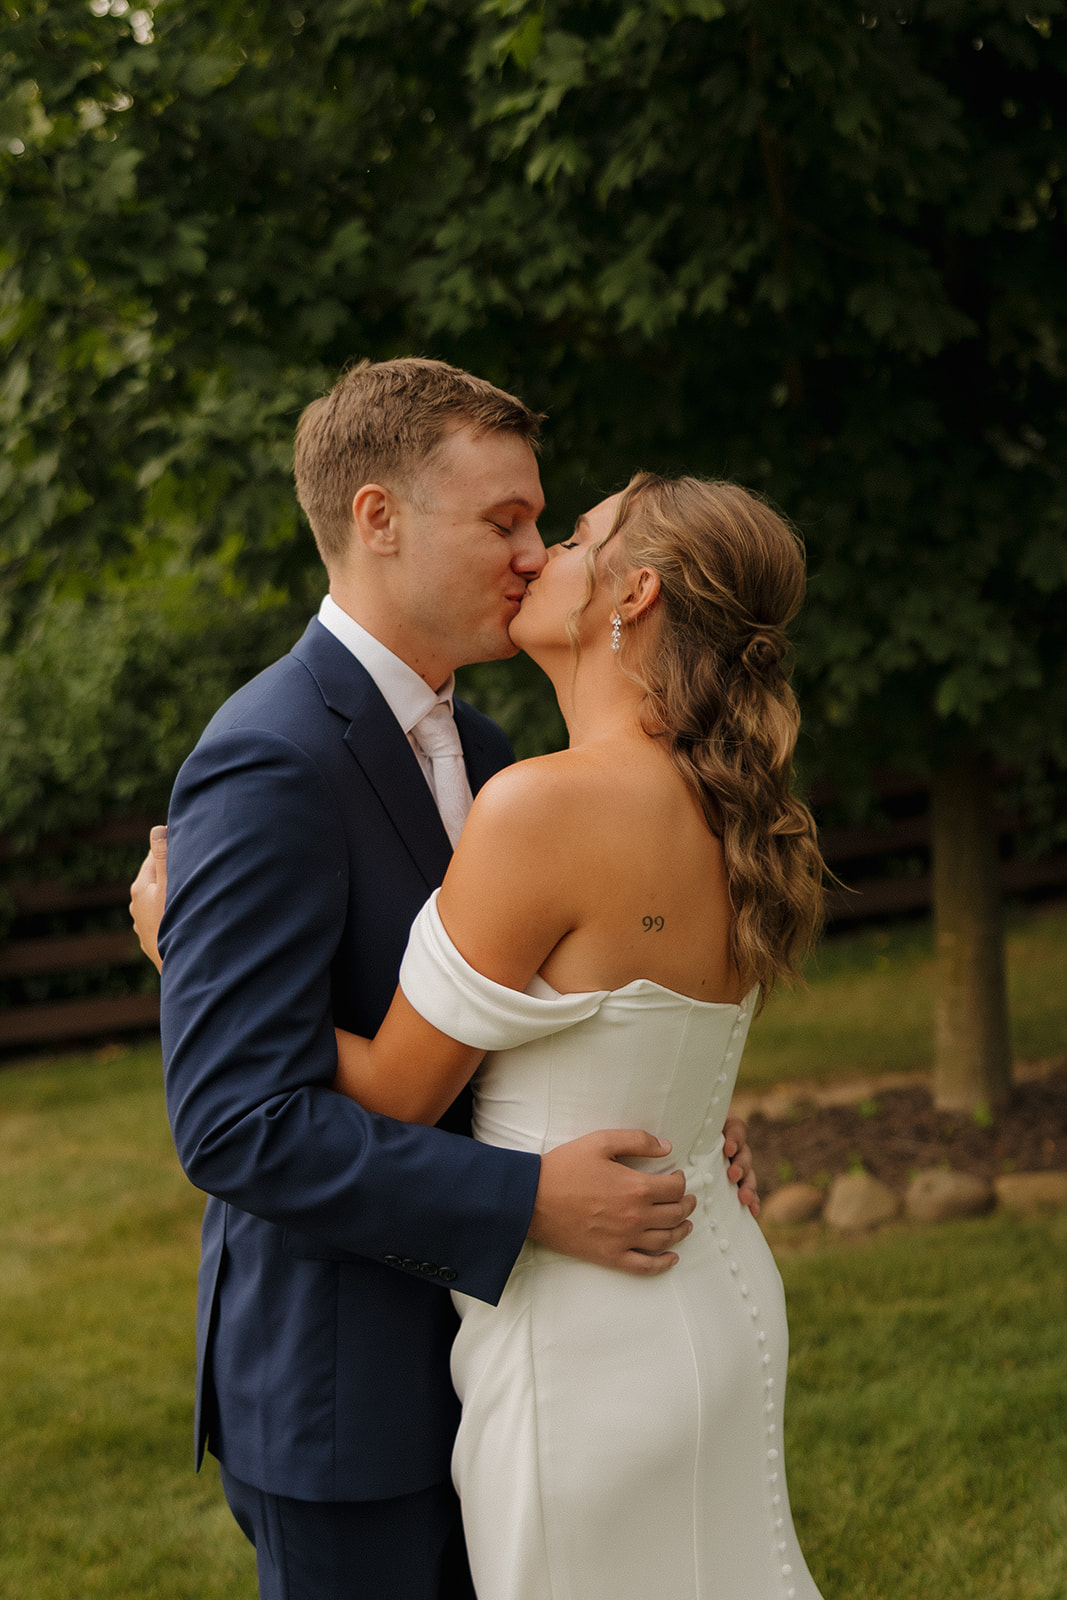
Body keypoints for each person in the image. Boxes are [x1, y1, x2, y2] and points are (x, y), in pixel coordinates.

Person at [130, 357, 758, 1600]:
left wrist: (668, 1118)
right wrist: (523, 1200)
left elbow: (508, 1009)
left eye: (540, 523)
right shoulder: (268, 758)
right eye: (503, 521)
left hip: (511, 1363)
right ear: (378, 519)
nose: (531, 553)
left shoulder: (480, 743)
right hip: (346, 1397)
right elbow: (237, 1121)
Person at [315, 470, 828, 1598]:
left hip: (582, 1333)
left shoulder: (541, 806)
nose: (539, 550)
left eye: (575, 532)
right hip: (714, 1285)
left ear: (632, 592)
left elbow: (396, 1091)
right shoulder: (725, 801)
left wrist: (188, 954)